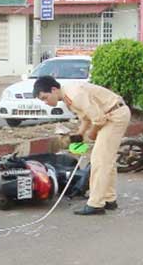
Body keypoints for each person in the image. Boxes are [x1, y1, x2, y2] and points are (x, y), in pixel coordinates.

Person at [33, 76, 131, 215]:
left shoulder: (74, 94)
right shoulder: (67, 96)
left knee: (100, 161)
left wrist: (92, 133)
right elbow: (86, 117)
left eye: (45, 97)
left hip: (114, 116)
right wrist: (80, 134)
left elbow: (98, 119)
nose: (45, 102)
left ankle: (96, 204)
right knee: (106, 160)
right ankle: (109, 199)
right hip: (112, 114)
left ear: (54, 89)